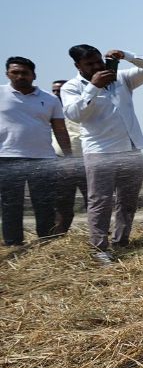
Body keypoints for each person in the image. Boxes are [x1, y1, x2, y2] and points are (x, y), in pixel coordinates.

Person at [60, 46, 143, 263]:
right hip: (100, 153)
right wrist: (93, 87)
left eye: (99, 61)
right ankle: (99, 248)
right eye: (90, 64)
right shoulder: (71, 87)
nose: (98, 67)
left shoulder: (122, 78)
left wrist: (127, 56)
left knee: (128, 201)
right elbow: (75, 115)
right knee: (100, 201)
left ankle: (121, 241)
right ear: (78, 66)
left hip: (131, 150)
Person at [1, 58, 73, 245]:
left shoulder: (49, 99)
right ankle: (13, 243)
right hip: (7, 158)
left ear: (33, 75)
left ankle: (46, 241)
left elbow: (60, 129)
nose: (20, 76)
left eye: (24, 73)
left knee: (44, 203)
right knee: (11, 204)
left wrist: (68, 157)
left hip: (42, 159)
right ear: (7, 74)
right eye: (15, 72)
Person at [49, 80, 87, 234]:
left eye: (60, 90)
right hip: (60, 161)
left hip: (86, 160)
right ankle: (59, 233)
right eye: (54, 91)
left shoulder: (79, 109)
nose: (57, 93)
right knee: (63, 202)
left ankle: (99, 234)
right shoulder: (49, 110)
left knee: (94, 200)